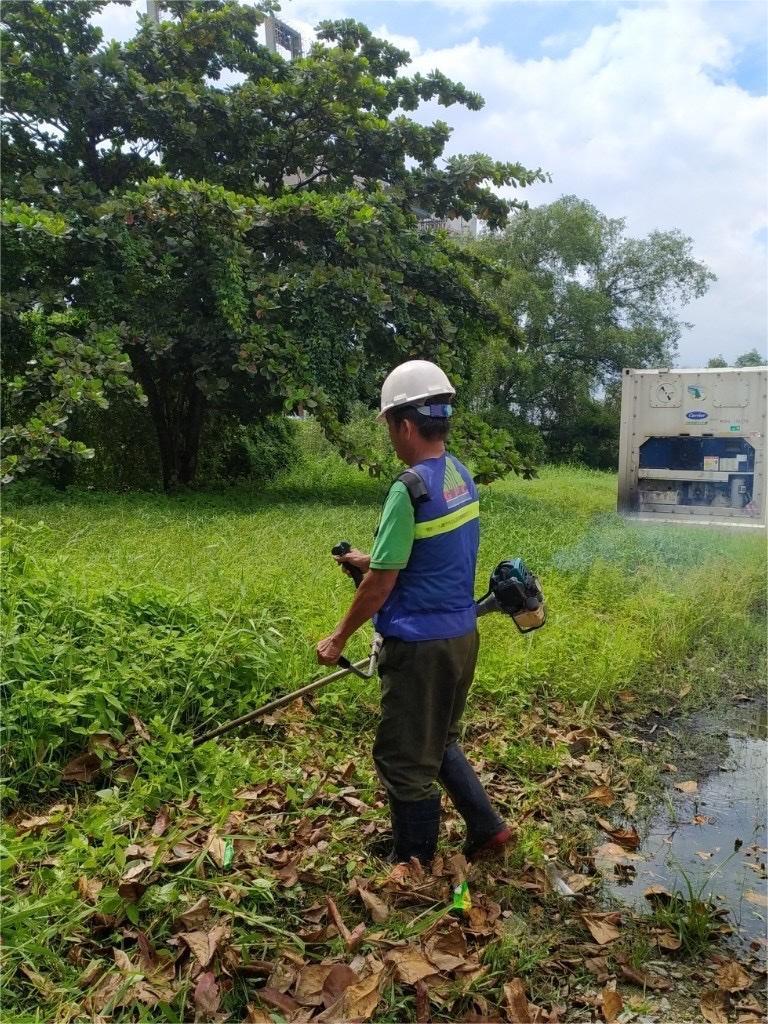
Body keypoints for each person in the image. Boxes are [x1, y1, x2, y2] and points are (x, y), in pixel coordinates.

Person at [316, 360, 512, 865]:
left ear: (404, 424)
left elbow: (382, 585)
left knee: (404, 758)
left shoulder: (409, 488)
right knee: (440, 739)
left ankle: (414, 865)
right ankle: (488, 830)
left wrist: (338, 638)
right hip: (462, 637)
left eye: (387, 426)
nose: (389, 436)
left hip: (420, 647)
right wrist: (370, 558)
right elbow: (428, 551)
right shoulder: (459, 476)